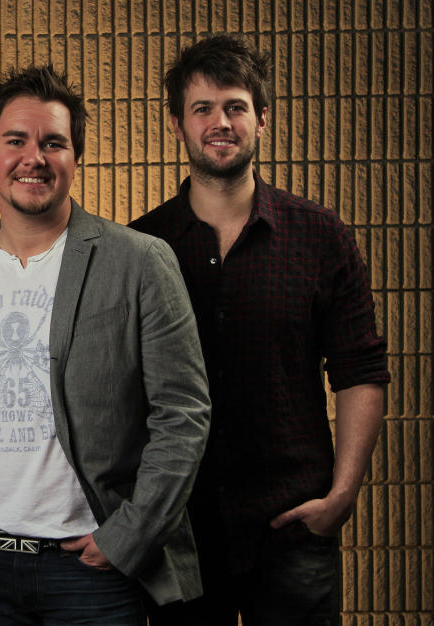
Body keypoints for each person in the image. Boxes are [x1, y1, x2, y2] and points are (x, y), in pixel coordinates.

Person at [0, 65, 211, 625]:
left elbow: (183, 415)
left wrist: (128, 536)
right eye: (15, 141)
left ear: (76, 157)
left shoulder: (139, 262)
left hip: (94, 565)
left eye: (53, 143)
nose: (34, 158)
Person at [129, 34, 390, 626]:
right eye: (202, 109)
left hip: (294, 528)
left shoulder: (321, 236)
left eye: (235, 107)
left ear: (262, 118)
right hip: (180, 533)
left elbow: (361, 369)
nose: (220, 122)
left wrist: (341, 497)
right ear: (177, 125)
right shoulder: (141, 248)